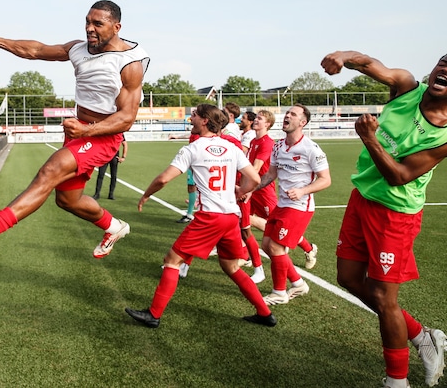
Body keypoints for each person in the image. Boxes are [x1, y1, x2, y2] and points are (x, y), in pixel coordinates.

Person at [0, 0, 149, 259]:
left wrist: (86, 131)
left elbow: (126, 118)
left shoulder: (130, 63)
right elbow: (36, 50)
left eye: (98, 24)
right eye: (87, 22)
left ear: (116, 27)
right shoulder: (78, 49)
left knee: (50, 170)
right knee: (68, 200)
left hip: (103, 135)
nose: (89, 28)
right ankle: (114, 227)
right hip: (79, 132)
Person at [321, 51, 447, 388]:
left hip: (396, 213)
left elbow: (399, 176)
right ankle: (421, 335)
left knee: (382, 297)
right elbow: (369, 65)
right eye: (444, 62)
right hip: (363, 197)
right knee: (349, 278)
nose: (445, 70)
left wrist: (369, 138)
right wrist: (343, 56)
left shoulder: (445, 134)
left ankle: (397, 381)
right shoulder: (407, 86)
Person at [126, 104, 274, 328]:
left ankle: (154, 315)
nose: (191, 118)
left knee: (172, 261)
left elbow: (164, 178)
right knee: (231, 267)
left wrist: (146, 194)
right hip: (231, 218)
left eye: (194, 115)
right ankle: (265, 313)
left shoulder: (193, 149)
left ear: (205, 120)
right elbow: (254, 178)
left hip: (210, 218)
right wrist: (240, 191)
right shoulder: (231, 147)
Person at [254, 104, 331, 306]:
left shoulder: (311, 148)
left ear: (302, 122)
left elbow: (326, 180)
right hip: (282, 204)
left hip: (300, 206)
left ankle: (279, 293)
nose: (287, 115)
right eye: (287, 113)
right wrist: (250, 189)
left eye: (293, 114)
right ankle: (297, 283)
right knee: (267, 246)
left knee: (276, 247)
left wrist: (303, 191)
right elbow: (271, 174)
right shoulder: (278, 146)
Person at [239, 109, 277, 284]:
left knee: (276, 225)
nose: (256, 120)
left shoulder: (267, 143)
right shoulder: (254, 141)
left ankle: (307, 247)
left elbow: (255, 169)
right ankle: (246, 257)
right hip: (251, 188)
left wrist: (245, 187)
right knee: (243, 224)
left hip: (263, 190)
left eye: (260, 119)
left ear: (267, 124)